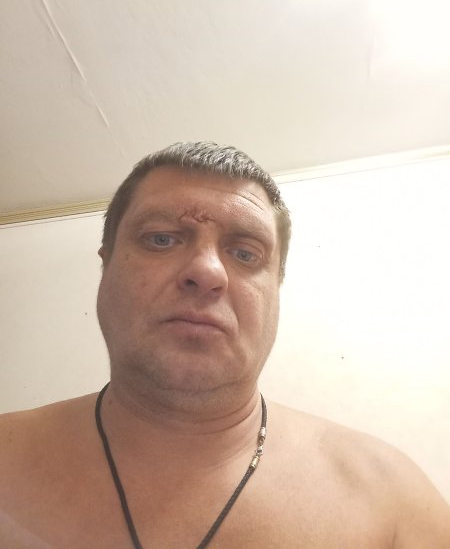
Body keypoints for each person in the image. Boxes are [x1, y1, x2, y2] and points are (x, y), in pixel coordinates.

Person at [0, 141, 449, 549]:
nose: (207, 271)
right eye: (161, 239)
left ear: (277, 289)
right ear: (107, 266)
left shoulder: (393, 502)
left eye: (245, 253)